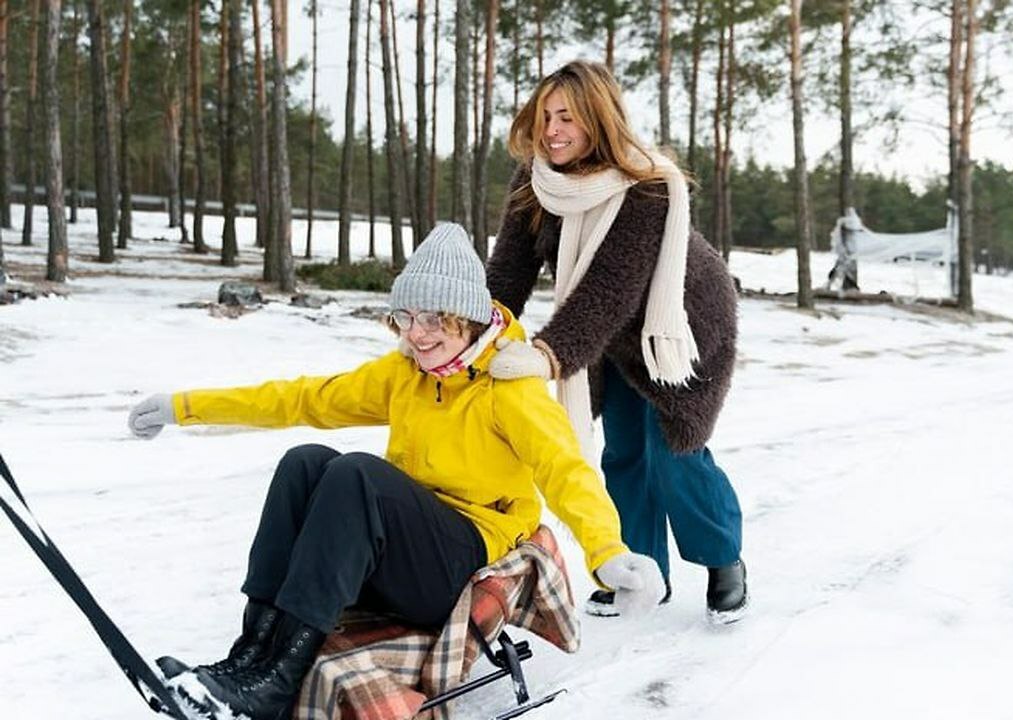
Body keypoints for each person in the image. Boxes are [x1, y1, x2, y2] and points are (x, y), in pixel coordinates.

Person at [126, 223, 664, 720]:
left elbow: (565, 468)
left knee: (358, 474)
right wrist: (185, 406)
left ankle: (277, 683)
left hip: (459, 561)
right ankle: (248, 660)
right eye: (406, 318)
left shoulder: (508, 386)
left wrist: (608, 554)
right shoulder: (405, 370)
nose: (418, 334)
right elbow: (303, 398)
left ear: (467, 317)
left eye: (434, 320)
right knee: (305, 463)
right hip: (405, 547)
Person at [484, 60, 748, 624]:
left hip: (680, 327)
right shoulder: (536, 180)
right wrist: (474, 329)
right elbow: (509, 270)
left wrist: (547, 355)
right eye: (545, 116)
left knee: (675, 453)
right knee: (623, 450)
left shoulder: (645, 188)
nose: (551, 130)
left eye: (567, 118)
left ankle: (725, 559)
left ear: (599, 121)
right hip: (607, 336)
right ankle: (641, 570)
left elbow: (607, 289)